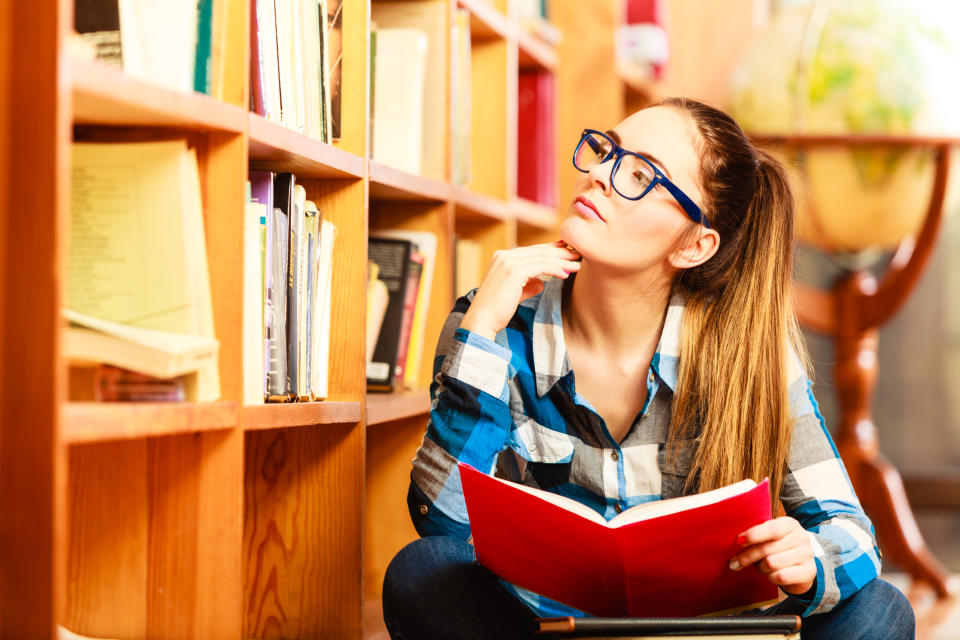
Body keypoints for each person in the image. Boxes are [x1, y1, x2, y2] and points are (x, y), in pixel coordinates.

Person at [381, 97, 915, 640]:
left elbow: (849, 530)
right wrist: (480, 334)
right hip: (549, 628)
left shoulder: (751, 353)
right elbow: (442, 527)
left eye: (639, 174)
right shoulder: (494, 322)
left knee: (881, 609)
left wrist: (809, 560)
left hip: (706, 633)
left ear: (694, 245)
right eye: (605, 151)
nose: (598, 174)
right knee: (419, 572)